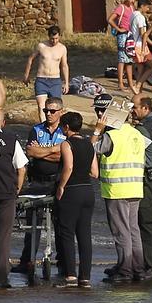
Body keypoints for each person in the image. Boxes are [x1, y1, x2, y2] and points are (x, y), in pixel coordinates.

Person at [90, 94, 146, 283]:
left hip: (117, 189)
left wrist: (97, 131)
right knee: (133, 230)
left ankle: (125, 270)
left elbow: (89, 150)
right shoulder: (137, 134)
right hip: (135, 188)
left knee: (121, 231)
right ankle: (137, 268)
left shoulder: (111, 136)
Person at [11, 97, 66, 274]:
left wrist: (43, 152)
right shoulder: (36, 129)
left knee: (60, 224)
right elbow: (31, 151)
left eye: (52, 111)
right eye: (46, 111)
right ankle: (27, 260)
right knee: (32, 222)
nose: (48, 114)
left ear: (61, 112)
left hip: (57, 181)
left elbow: (64, 157)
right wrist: (54, 150)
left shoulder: (65, 131)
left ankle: (63, 260)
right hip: (37, 181)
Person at [0, 108, 28, 289]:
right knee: (3, 238)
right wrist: (17, 188)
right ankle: (1, 279)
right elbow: (21, 167)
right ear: (3, 123)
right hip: (7, 194)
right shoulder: (11, 140)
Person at [55, 112, 98, 288]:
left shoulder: (67, 143)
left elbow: (69, 167)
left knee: (67, 232)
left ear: (66, 127)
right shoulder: (89, 144)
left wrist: (61, 186)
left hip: (72, 191)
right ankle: (85, 277)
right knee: (84, 235)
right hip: (88, 191)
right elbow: (95, 172)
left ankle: (71, 275)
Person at [130, 94, 152, 280]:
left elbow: (130, 146)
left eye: (135, 107)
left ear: (145, 108)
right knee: (144, 223)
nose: (132, 110)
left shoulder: (144, 129)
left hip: (147, 181)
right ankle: (145, 264)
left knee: (147, 223)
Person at [23, 25, 69, 122]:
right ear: (48, 37)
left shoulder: (62, 48)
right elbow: (31, 58)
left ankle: (55, 127)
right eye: (52, 39)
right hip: (42, 80)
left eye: (56, 38)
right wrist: (26, 75)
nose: (54, 41)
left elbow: (64, 65)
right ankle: (43, 128)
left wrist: (66, 82)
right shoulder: (41, 46)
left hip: (55, 80)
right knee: (41, 106)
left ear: (59, 36)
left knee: (56, 107)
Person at [107, 0, 136, 92]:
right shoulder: (121, 8)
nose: (132, 1)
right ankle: (120, 83)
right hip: (122, 35)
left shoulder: (132, 8)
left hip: (130, 35)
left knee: (129, 59)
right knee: (122, 59)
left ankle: (130, 83)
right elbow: (110, 19)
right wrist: (118, 28)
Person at [129, 0, 152, 95]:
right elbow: (143, 34)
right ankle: (138, 85)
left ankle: (138, 91)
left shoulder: (133, 15)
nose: (148, 10)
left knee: (140, 67)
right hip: (140, 45)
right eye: (147, 7)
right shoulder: (140, 17)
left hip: (133, 44)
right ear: (143, 6)